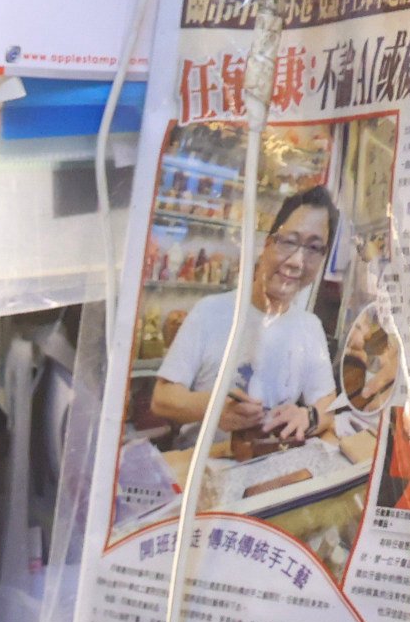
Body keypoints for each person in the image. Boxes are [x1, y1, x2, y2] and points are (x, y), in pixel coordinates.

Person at [144, 186, 338, 453]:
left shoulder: (309, 327)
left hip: (269, 468)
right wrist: (215, 410)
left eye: (314, 248)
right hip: (206, 466)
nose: (297, 262)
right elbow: (162, 398)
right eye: (289, 242)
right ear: (267, 243)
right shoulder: (209, 312)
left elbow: (328, 400)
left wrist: (309, 416)